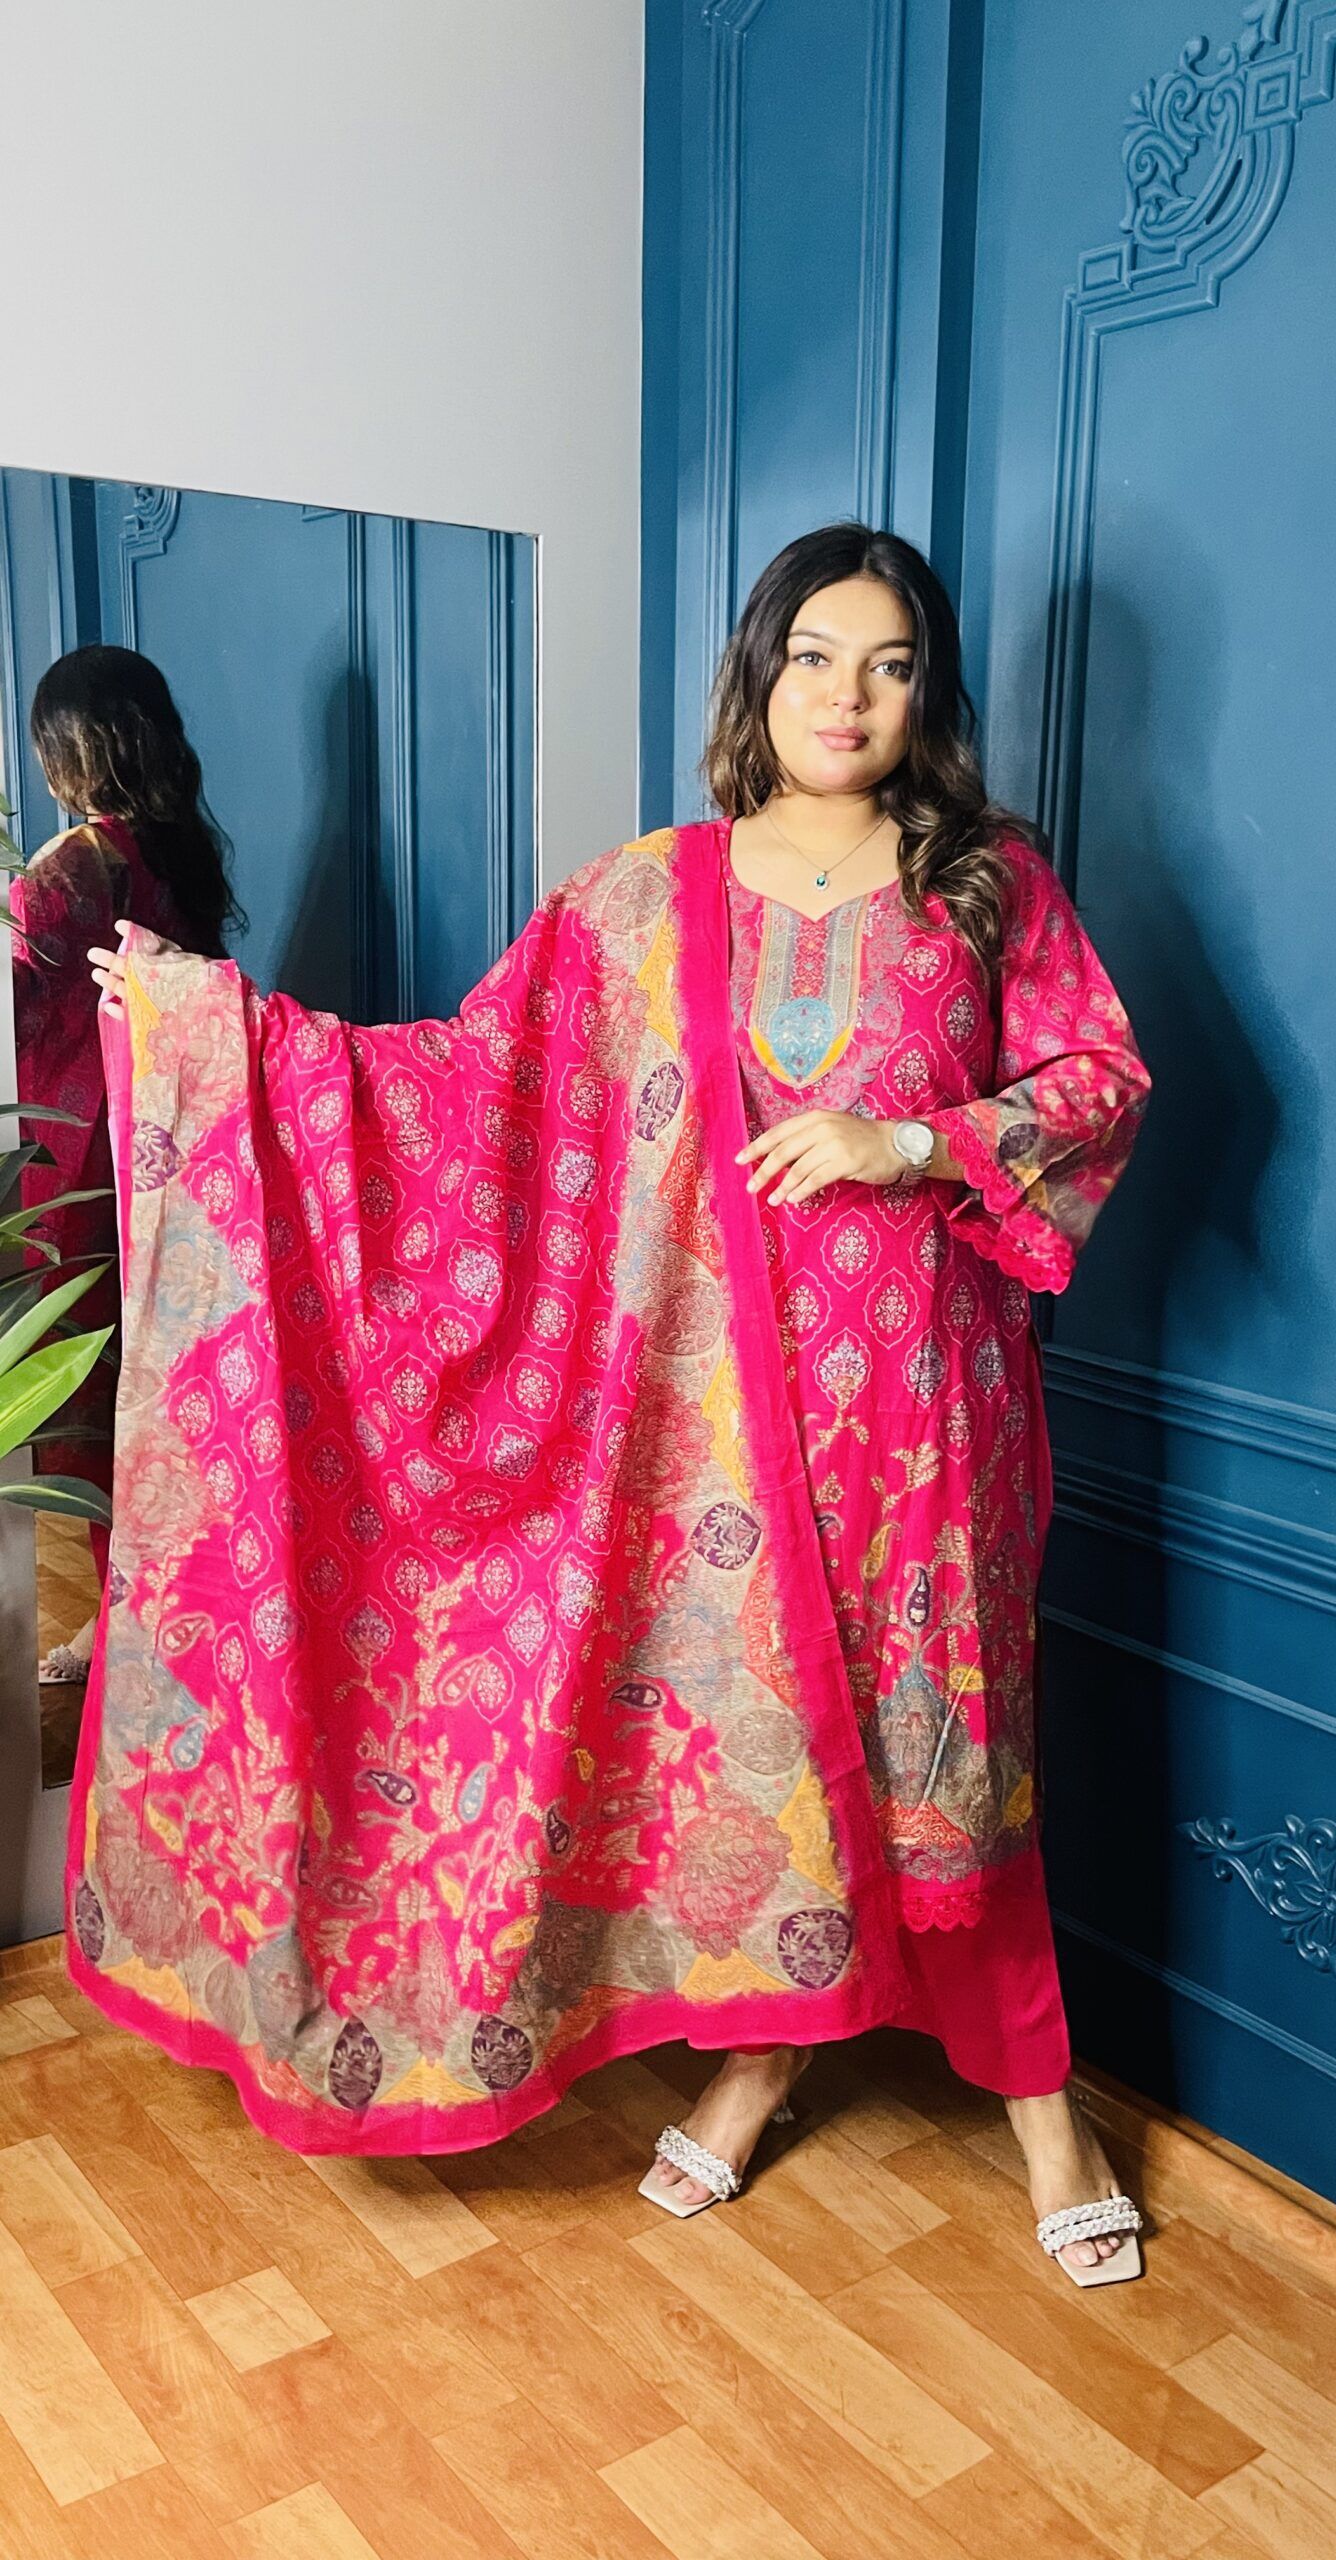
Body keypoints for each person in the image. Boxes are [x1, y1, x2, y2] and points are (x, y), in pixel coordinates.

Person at [81, 525, 1150, 2286]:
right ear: (762, 673)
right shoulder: (651, 894)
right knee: (768, 1750)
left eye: (890, 665)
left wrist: (913, 1138)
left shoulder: (986, 879)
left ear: (928, 692)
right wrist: (221, 1030)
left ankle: (1048, 2112)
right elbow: (472, 1084)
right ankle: (762, 2060)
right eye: (816, 657)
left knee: (956, 1764)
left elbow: (1099, 1076)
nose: (849, 697)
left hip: (924, 1413)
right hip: (711, 1431)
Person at [13, 645, 242, 1684]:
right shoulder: (174, 854)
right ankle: (167, 1611)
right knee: (153, 1386)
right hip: (162, 1147)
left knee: (84, 1396)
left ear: (72, 747)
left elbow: (13, 987)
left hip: (74, 1164)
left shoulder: (76, 861)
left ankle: (117, 1631)